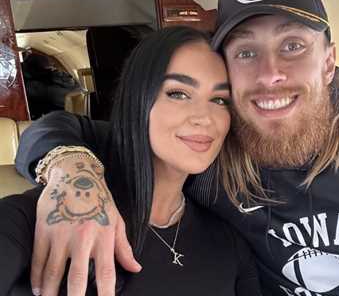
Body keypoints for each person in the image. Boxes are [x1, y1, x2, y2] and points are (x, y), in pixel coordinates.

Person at [13, 0, 339, 295]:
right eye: (247, 52)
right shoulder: (211, 144)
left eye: (293, 46)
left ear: (329, 59)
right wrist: (73, 174)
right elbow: (66, 128)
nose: (270, 74)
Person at [1, 26, 262, 295]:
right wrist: (69, 167)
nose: (204, 118)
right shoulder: (52, 214)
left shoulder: (228, 240)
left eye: (220, 100)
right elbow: (52, 128)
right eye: (178, 94)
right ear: (137, 99)